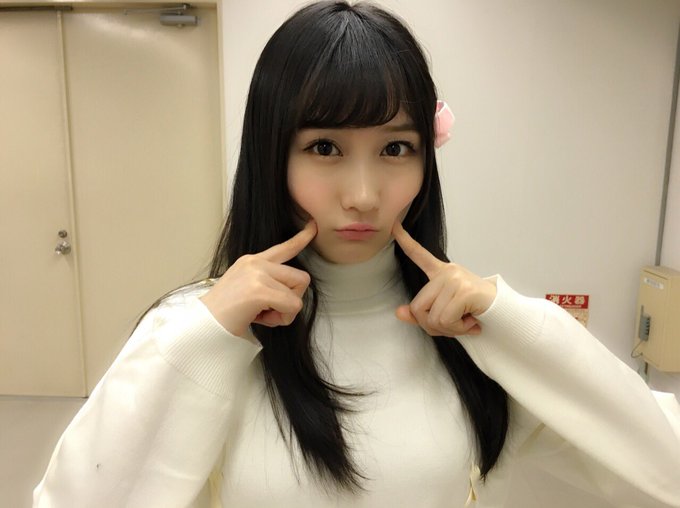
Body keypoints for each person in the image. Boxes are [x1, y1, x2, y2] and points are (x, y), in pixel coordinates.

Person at [33, 2, 680, 507]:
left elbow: (666, 467)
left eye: (395, 149)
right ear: (271, 153)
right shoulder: (203, 330)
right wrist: (203, 335)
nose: (364, 195)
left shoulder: (472, 337)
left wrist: (519, 322)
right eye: (325, 148)